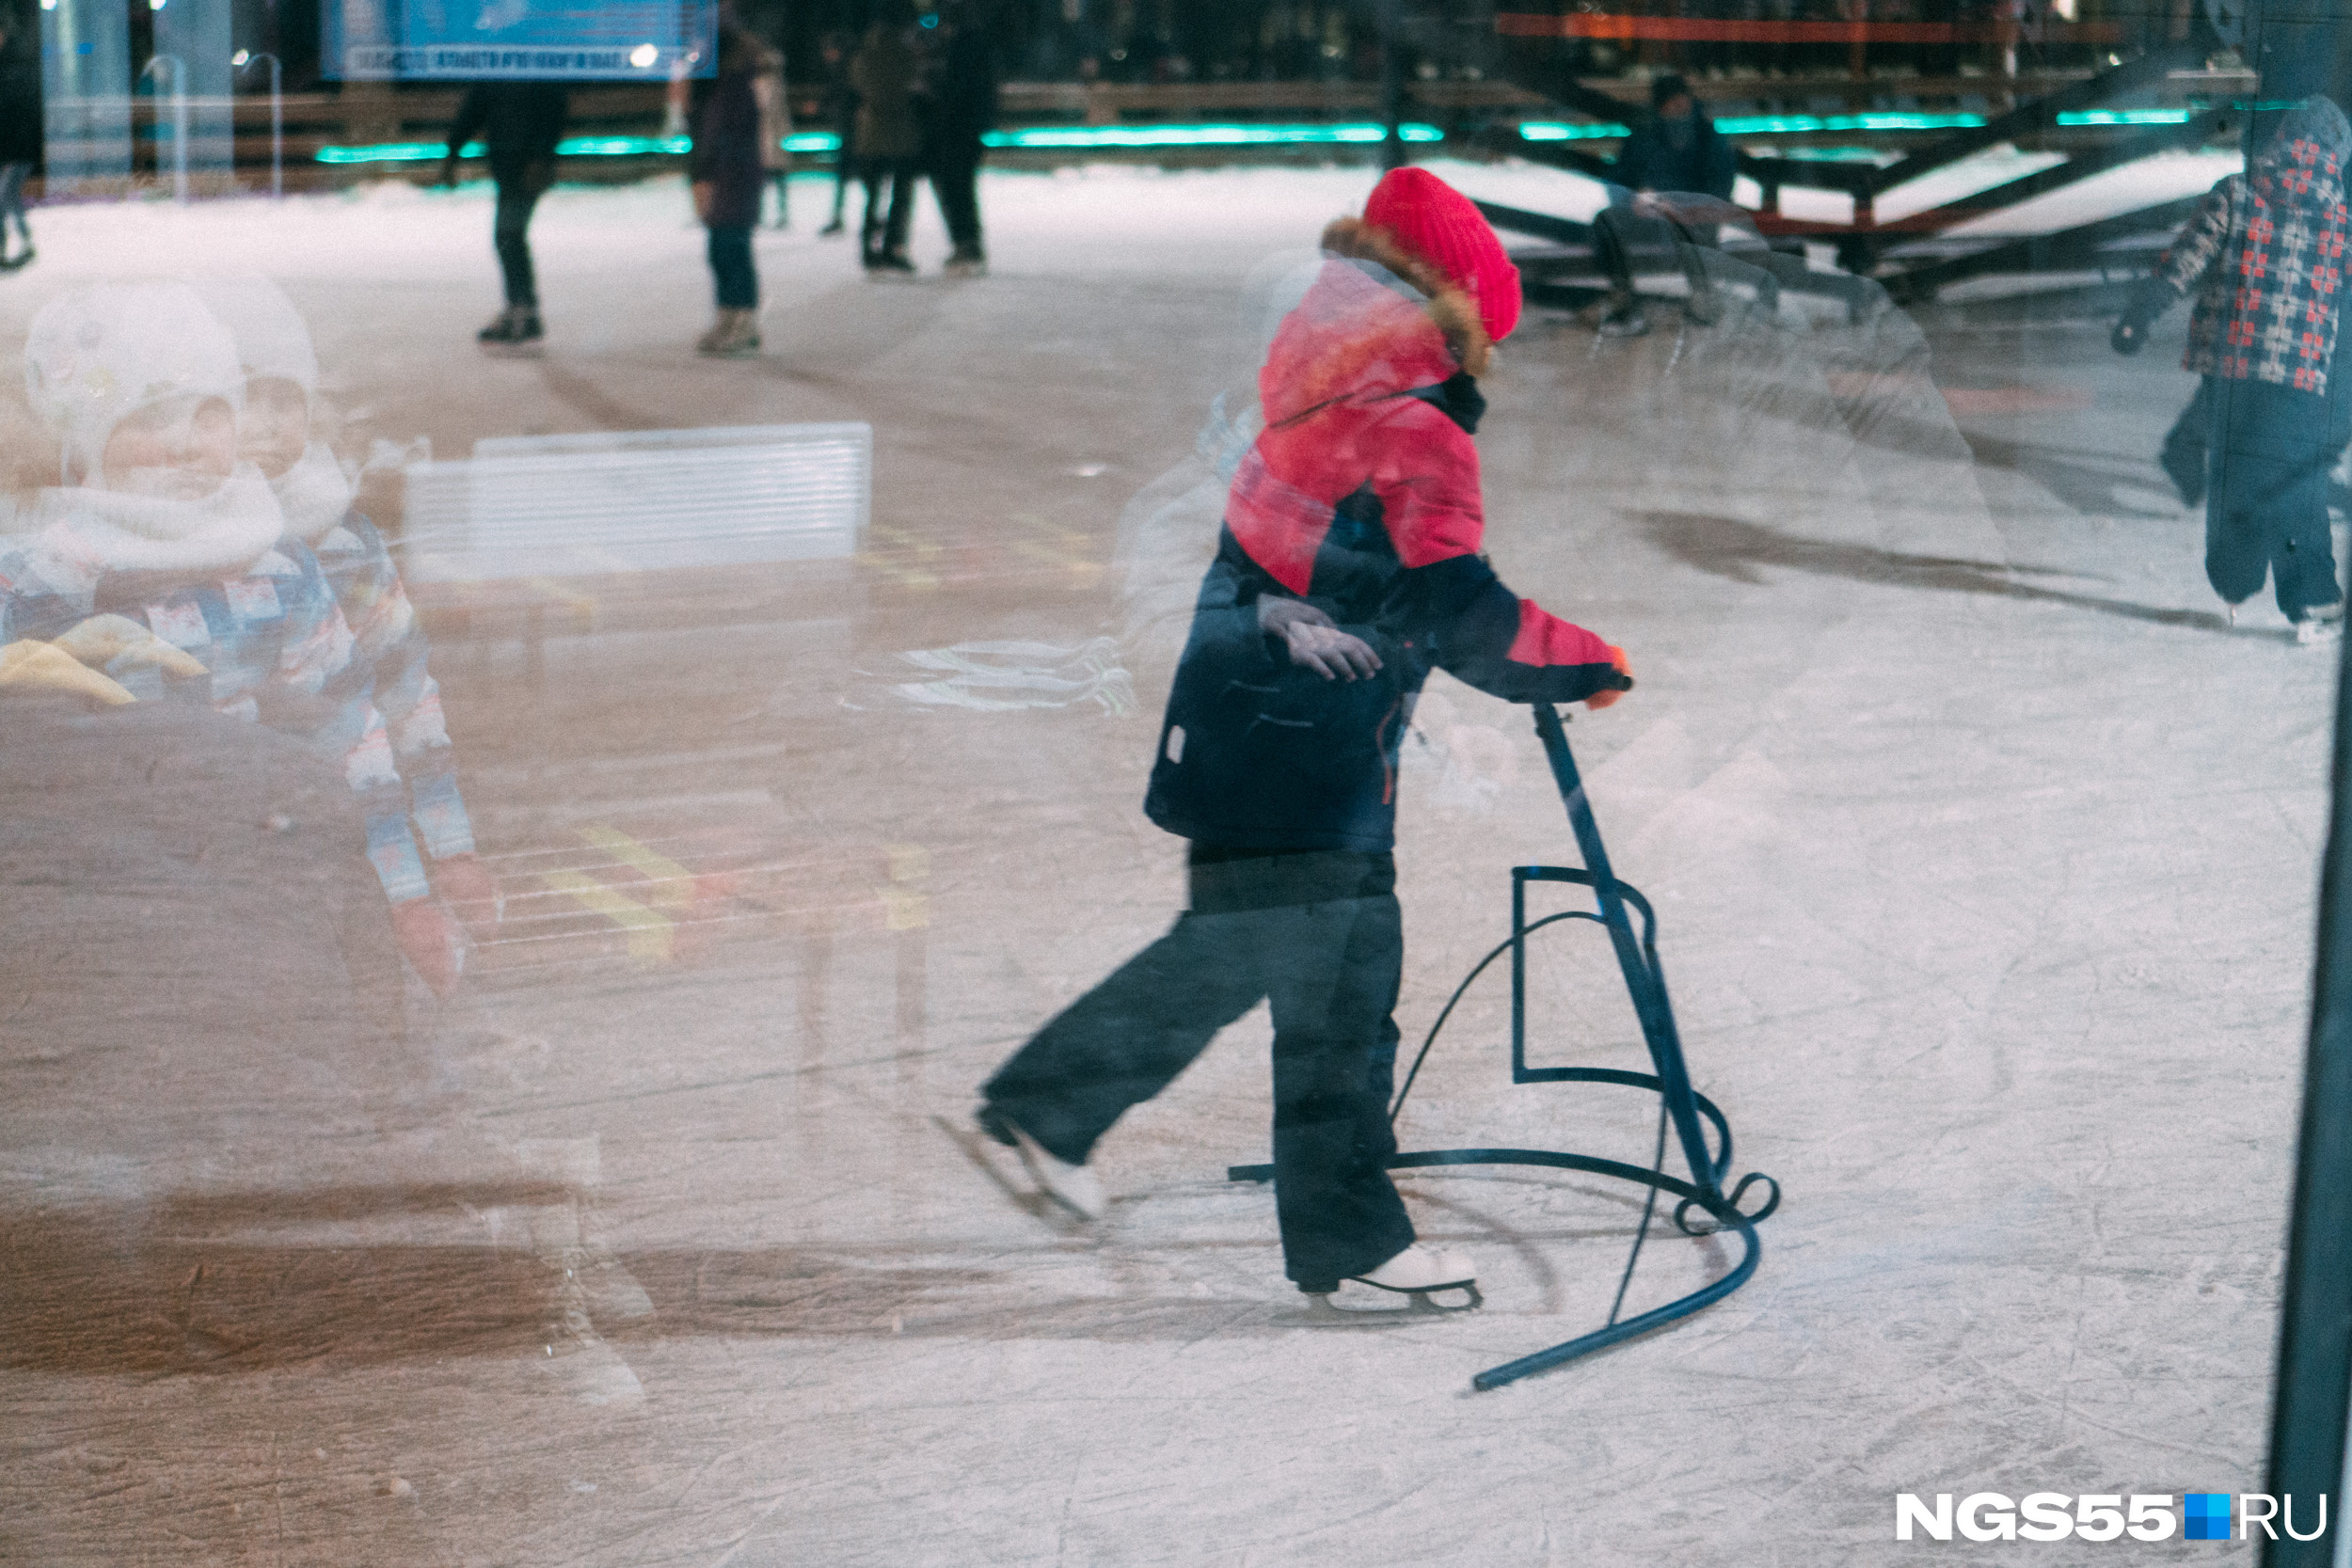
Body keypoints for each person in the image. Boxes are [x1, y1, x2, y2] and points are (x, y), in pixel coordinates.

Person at [975, 168, 1634, 1306]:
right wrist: (1585, 662)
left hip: (1240, 733)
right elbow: (1456, 611)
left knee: (1252, 959)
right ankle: (1339, 1234)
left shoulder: (1298, 390)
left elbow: (1260, 567)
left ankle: (1057, 1112)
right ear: (1458, 318)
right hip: (1312, 762)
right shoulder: (1412, 426)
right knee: (1329, 990)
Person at [1, 282, 466, 992]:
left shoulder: (279, 571)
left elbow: (353, 735)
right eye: (151, 417)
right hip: (100, 905)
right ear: (90, 442)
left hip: (261, 889)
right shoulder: (43, 578)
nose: (186, 442)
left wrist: (402, 892)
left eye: (209, 414)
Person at [197, 277, 501, 939]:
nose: (270, 424)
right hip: (219, 855)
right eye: (246, 398)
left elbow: (405, 689)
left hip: (349, 841)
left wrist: (450, 847)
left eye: (287, 399)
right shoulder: (176, 553)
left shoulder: (342, 540)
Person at [2113, 96, 2352, 643]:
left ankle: (2234, 578)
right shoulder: (2339, 218)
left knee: (2234, 475)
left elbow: (2183, 261)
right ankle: (2312, 599)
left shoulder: (2237, 193)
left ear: (2283, 139)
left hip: (2229, 370)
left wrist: (2140, 314)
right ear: (2336, 158)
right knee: (2297, 487)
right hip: (2297, 382)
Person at [1595, 73, 1740, 339]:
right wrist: (1632, 200)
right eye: (1670, 104)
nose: (1677, 109)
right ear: (1660, 107)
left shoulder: (1708, 137)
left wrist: (1687, 206)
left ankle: (1703, 296)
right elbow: (1618, 178)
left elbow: (1720, 186)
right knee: (1605, 221)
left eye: (1681, 102)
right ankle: (1623, 297)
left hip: (1693, 219)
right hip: (1650, 218)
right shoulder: (1644, 137)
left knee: (1690, 228)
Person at [439, 82, 570, 348]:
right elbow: (474, 108)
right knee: (508, 237)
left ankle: (523, 309)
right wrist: (452, 151)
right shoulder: (497, 68)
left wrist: (542, 157)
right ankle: (521, 308)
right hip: (507, 165)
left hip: (527, 166)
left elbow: (553, 109)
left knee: (508, 235)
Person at [690, 23, 768, 356]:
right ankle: (728, 313)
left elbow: (731, 131)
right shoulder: (717, 88)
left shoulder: (737, 86)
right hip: (723, 171)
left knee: (732, 247)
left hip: (737, 173)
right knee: (720, 248)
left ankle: (744, 318)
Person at [924, 0, 998, 277]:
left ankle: (966, 242)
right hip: (968, 128)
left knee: (957, 187)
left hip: (957, 129)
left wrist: (937, 90)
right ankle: (968, 241)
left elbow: (959, 88)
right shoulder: (974, 44)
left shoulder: (960, 48)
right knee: (961, 186)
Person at [850, 8, 922, 276]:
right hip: (901, 131)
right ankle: (894, 248)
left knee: (873, 196)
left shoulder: (864, 55)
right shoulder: (904, 55)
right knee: (900, 196)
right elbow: (912, 84)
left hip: (871, 132)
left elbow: (857, 83)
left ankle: (868, 250)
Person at [816, 31, 860, 238]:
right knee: (854, 175)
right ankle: (838, 216)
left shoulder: (843, 70)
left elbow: (840, 96)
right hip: (850, 129)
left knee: (850, 174)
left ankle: (838, 217)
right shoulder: (844, 68)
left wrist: (824, 106)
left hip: (852, 130)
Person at [0, 22, 36, 271]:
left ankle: (5, 247)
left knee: (4, 201)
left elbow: (18, 115)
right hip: (13, 148)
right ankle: (26, 242)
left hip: (18, 150)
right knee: (11, 198)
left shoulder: (14, 70)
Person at [753, 36, 794, 230]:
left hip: (769, 136)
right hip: (763, 136)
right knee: (765, 177)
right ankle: (761, 214)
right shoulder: (762, 83)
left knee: (774, 175)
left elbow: (779, 111)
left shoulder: (772, 83)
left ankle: (779, 213)